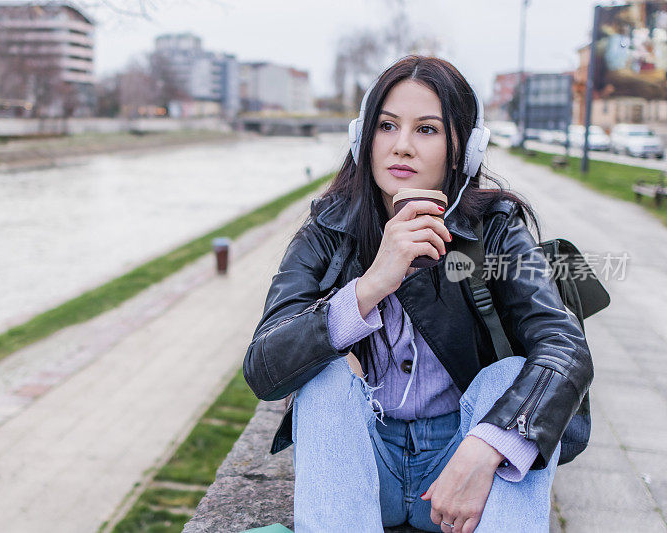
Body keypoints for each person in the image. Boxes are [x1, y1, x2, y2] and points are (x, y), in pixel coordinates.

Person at [243, 55, 593, 533]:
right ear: (363, 139)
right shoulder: (327, 228)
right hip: (365, 469)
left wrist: (487, 445)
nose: (401, 147)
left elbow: (566, 348)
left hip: (459, 473)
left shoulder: (495, 230)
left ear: (461, 150)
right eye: (387, 126)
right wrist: (370, 286)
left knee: (509, 376)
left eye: (426, 130)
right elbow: (264, 364)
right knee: (323, 372)